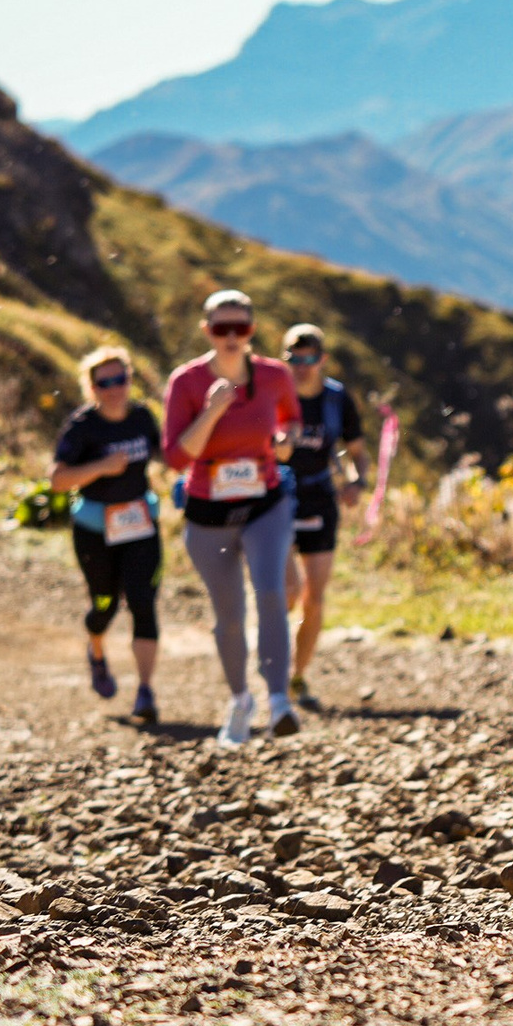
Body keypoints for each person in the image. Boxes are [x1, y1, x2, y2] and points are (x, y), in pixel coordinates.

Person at [161, 288, 303, 748]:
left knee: (271, 593)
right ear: (207, 331)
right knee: (230, 614)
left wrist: (286, 440)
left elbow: (292, 420)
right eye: (221, 328)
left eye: (239, 327)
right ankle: (241, 700)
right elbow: (176, 458)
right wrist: (212, 411)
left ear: (252, 330)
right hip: (208, 514)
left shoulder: (275, 375)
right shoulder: (186, 382)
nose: (231, 336)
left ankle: (279, 700)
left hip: (265, 504)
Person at [48, 346, 166, 724]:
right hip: (95, 531)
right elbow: (57, 480)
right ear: (92, 387)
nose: (114, 388)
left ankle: (145, 691)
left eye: (121, 379)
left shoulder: (143, 417)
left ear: (130, 381)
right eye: (105, 383)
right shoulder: (82, 427)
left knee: (143, 602)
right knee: (105, 605)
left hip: (141, 526)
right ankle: (96, 649)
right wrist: (101, 467)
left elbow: (164, 454)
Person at [278, 323, 367, 711]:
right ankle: (272, 666)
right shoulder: (272, 395)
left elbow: (357, 451)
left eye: (310, 358)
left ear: (322, 359)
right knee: (287, 591)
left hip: (320, 498)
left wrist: (357, 482)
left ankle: (297, 677)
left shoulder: (337, 399)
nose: (302, 366)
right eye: (294, 358)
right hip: (276, 498)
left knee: (314, 598)